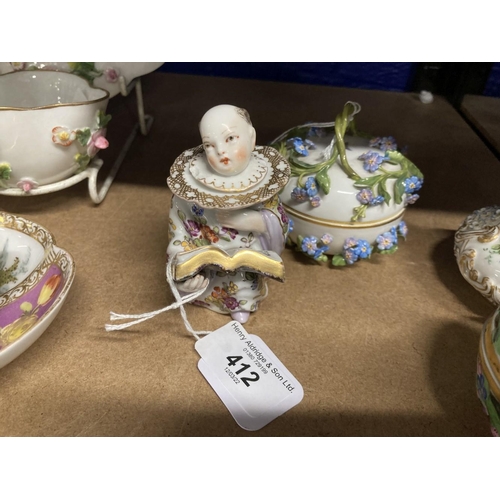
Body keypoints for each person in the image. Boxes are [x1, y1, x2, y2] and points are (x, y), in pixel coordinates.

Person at [166, 104, 290, 323]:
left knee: (244, 280)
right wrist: (184, 273)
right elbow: (178, 234)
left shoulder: (264, 183)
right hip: (207, 270)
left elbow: (280, 219)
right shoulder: (190, 188)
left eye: (230, 139)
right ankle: (195, 292)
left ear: (251, 138)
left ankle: (241, 303)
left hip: (246, 268)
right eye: (209, 145)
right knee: (197, 282)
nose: (221, 151)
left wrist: (257, 221)